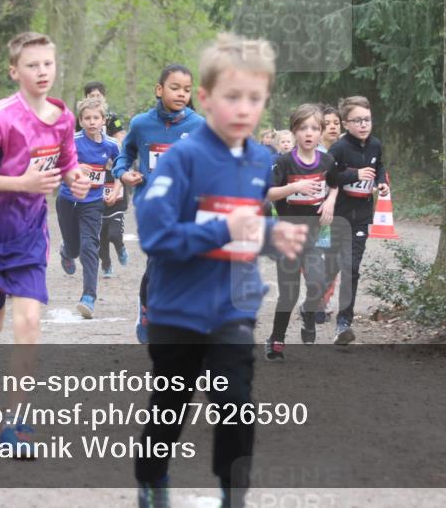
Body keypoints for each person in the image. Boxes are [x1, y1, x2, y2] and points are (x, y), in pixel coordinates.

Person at [133, 33, 307, 508]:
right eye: (232, 97)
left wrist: (272, 238)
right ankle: (151, 480)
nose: (244, 108)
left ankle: (234, 495)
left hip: (232, 307)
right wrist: (224, 227)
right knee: (171, 407)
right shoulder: (185, 157)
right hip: (176, 310)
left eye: (255, 98)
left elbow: (244, 230)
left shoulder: (259, 160)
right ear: (206, 98)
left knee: (236, 405)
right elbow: (157, 237)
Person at [0, 32, 91, 456]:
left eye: (47, 64)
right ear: (15, 71)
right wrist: (23, 182)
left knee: (28, 322)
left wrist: (75, 178)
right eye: (32, 65)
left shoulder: (64, 118)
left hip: (31, 235)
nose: (42, 72)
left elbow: (66, 160)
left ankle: (16, 422)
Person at [112, 64, 205, 343]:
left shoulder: (198, 126)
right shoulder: (141, 124)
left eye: (187, 90)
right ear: (159, 89)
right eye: (175, 88)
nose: (181, 94)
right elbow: (124, 156)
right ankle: (147, 310)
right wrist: (122, 173)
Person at [265, 103, 339, 359]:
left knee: (317, 284)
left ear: (321, 133)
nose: (309, 133)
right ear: (294, 131)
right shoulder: (284, 162)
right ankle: (276, 340)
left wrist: (329, 201)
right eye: (303, 128)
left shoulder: (327, 160)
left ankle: (309, 314)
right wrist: (294, 188)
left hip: (313, 236)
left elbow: (335, 183)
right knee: (288, 293)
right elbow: (269, 192)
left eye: (315, 128)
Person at [328, 95, 388, 345]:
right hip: (338, 216)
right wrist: (354, 174)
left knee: (351, 268)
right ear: (345, 124)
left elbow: (380, 166)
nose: (364, 125)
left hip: (361, 217)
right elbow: (328, 177)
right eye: (358, 120)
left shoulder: (375, 145)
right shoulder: (339, 148)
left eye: (368, 120)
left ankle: (344, 324)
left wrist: (380, 183)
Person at [57, 97, 120, 318]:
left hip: (93, 202)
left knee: (89, 247)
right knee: (74, 249)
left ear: (104, 120)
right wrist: (75, 167)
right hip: (67, 198)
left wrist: (115, 188)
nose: (92, 122)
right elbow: (58, 162)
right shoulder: (72, 140)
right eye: (87, 118)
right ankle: (66, 250)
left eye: (96, 118)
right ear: (81, 121)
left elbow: (121, 166)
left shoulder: (111, 145)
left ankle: (88, 297)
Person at [313, 104, 343, 322]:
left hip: (341, 214)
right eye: (327, 123)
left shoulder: (346, 149)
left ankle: (321, 301)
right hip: (315, 215)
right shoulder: (311, 152)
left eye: (336, 123)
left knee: (333, 259)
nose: (332, 127)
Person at [99, 156, 129, 278]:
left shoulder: (121, 170)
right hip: (99, 212)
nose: (110, 161)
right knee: (101, 243)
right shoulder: (97, 169)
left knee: (114, 235)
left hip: (116, 209)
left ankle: (120, 248)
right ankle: (106, 265)